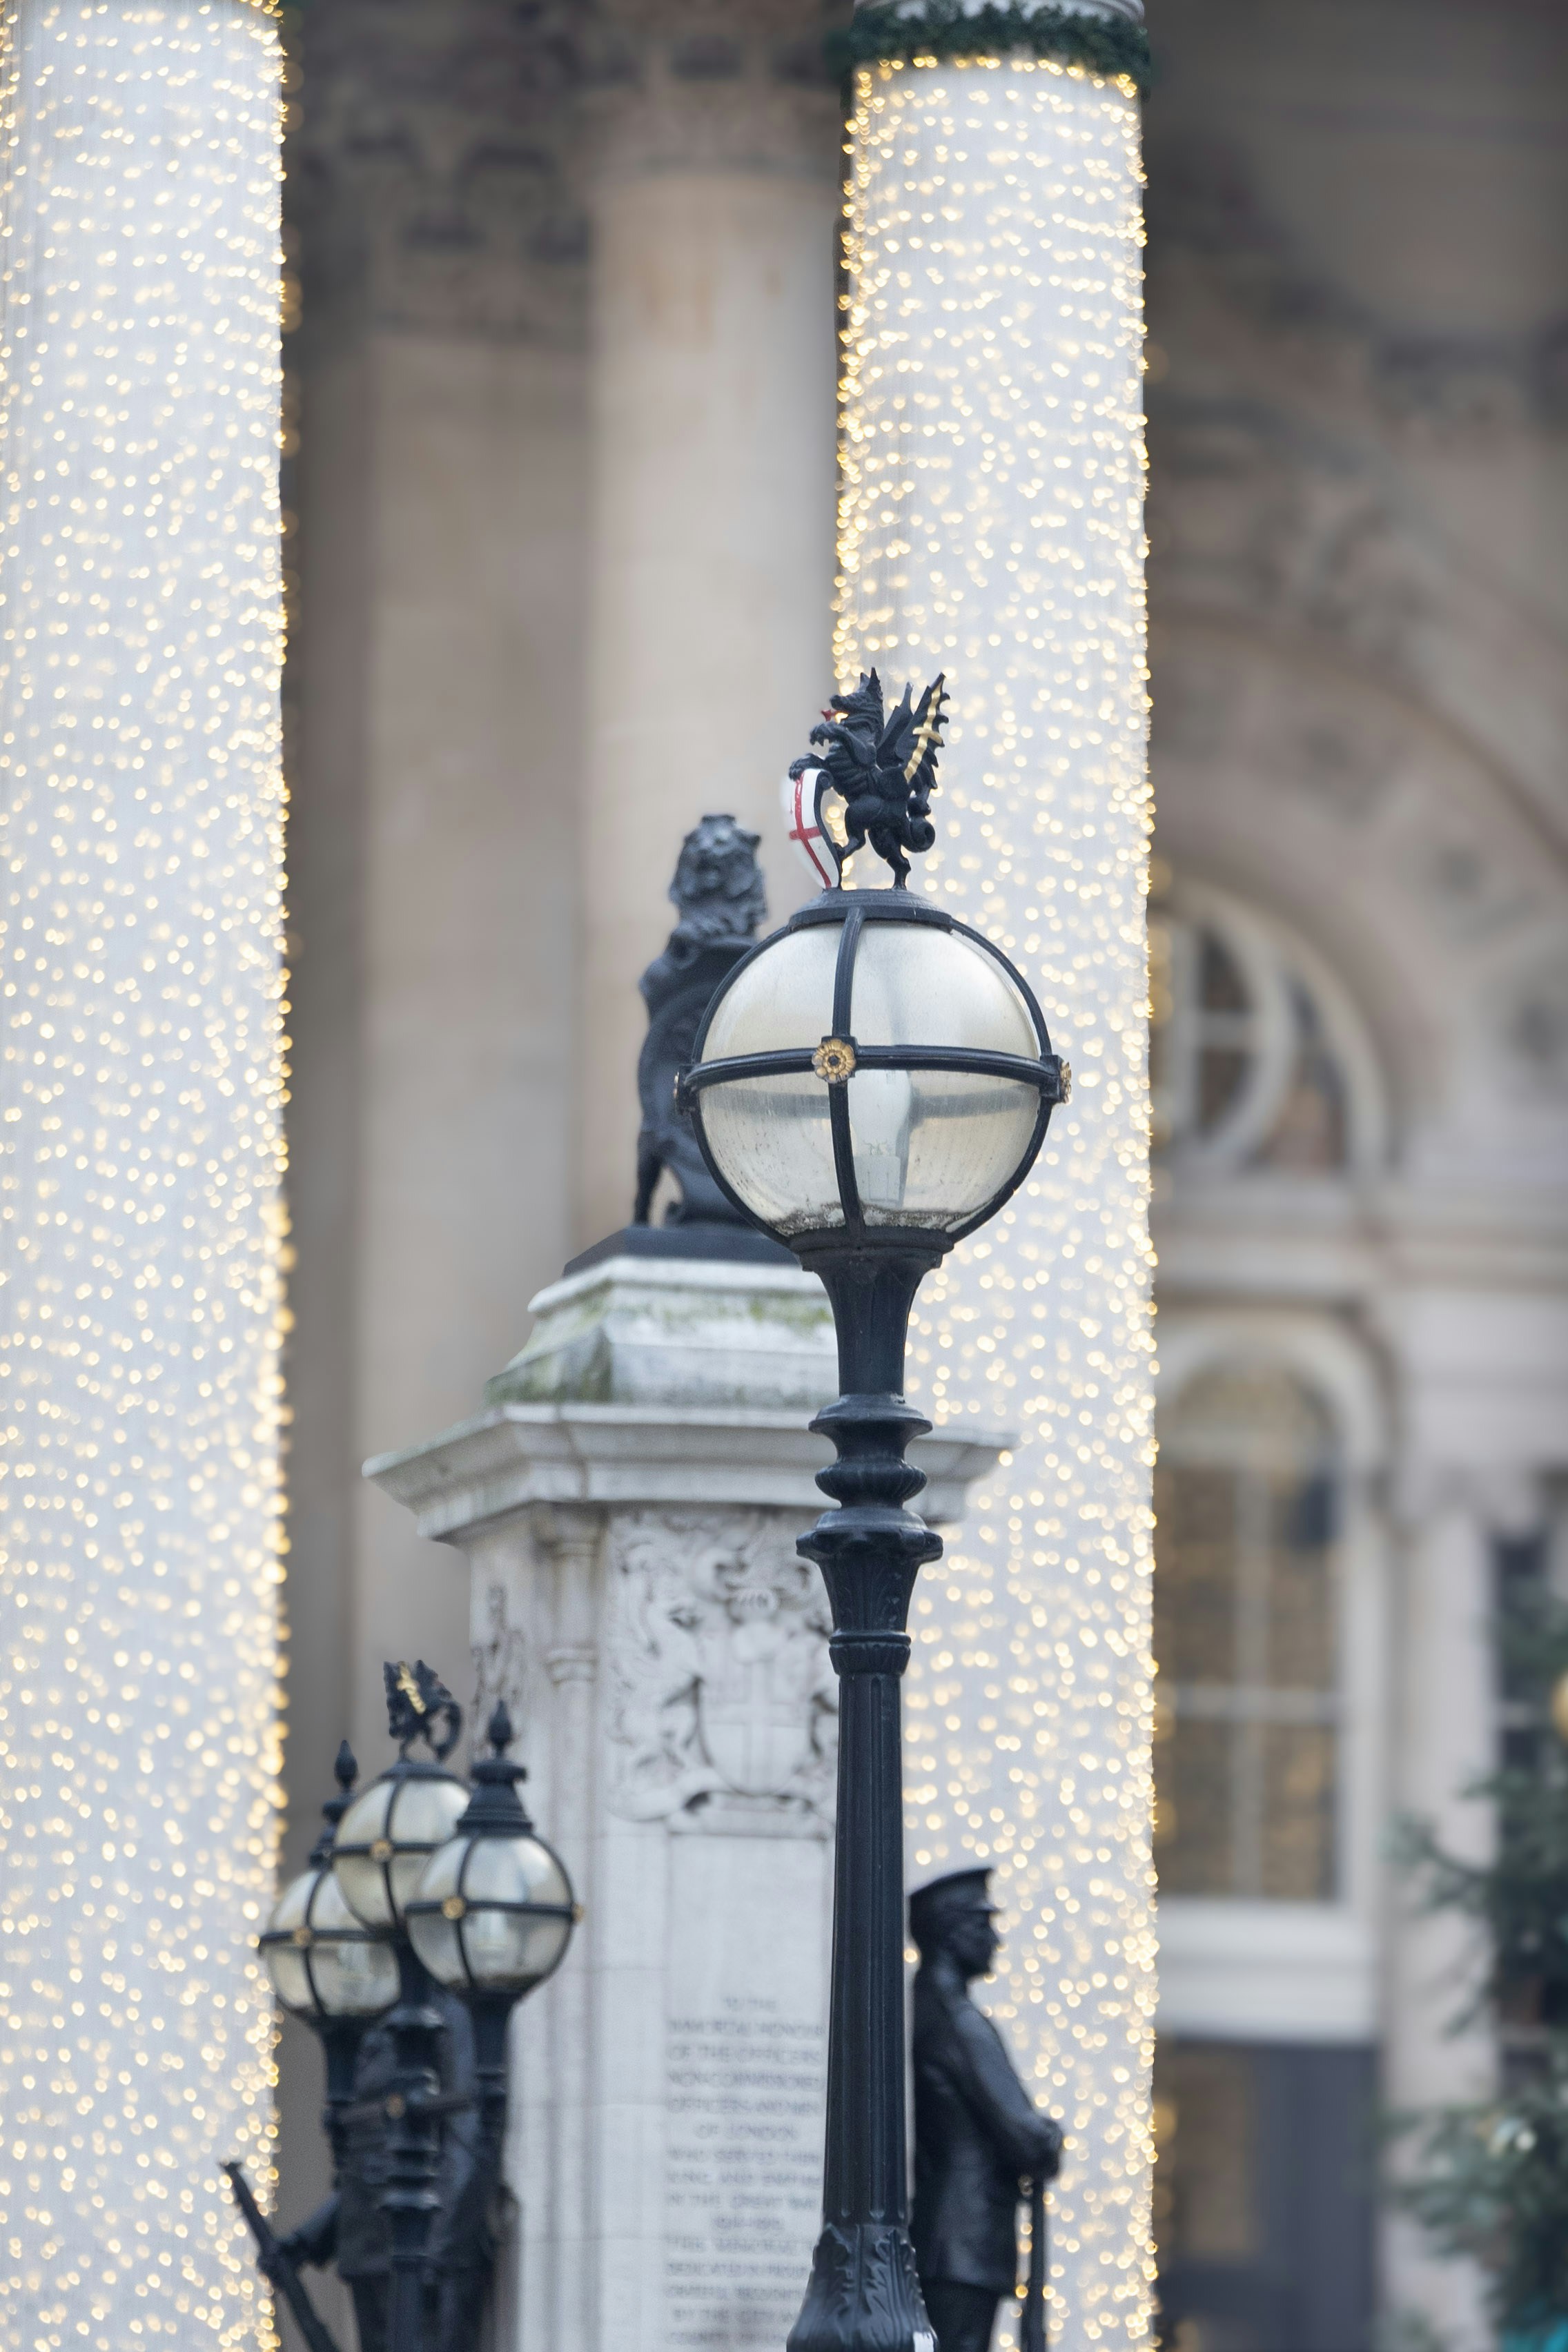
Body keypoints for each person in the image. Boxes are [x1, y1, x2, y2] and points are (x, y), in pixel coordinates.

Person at [910, 1869, 1062, 2352]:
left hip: (952, 2238)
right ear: (953, 1934)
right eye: (983, 1926)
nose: (995, 1939)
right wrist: (1050, 2136)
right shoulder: (961, 2023)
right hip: (964, 2240)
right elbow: (1027, 2138)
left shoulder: (928, 2008)